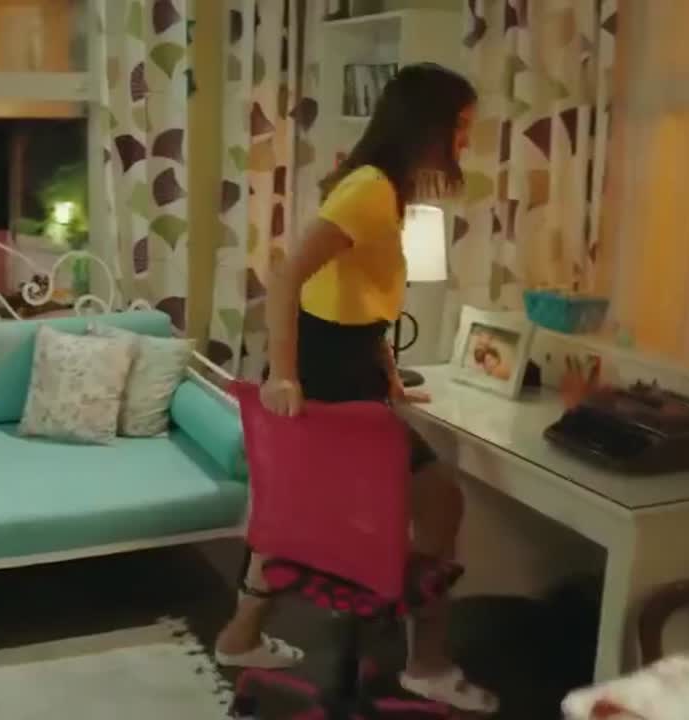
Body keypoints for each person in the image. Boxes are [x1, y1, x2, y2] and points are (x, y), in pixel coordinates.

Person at [213, 63, 498, 714]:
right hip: (326, 377)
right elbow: (287, 279)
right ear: (426, 125)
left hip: (345, 367)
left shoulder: (382, 189)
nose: (465, 140)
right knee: (441, 500)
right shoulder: (369, 190)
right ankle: (426, 663)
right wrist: (285, 374)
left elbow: (358, 303)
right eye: (460, 126)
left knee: (291, 510)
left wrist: (391, 376)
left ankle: (239, 636)